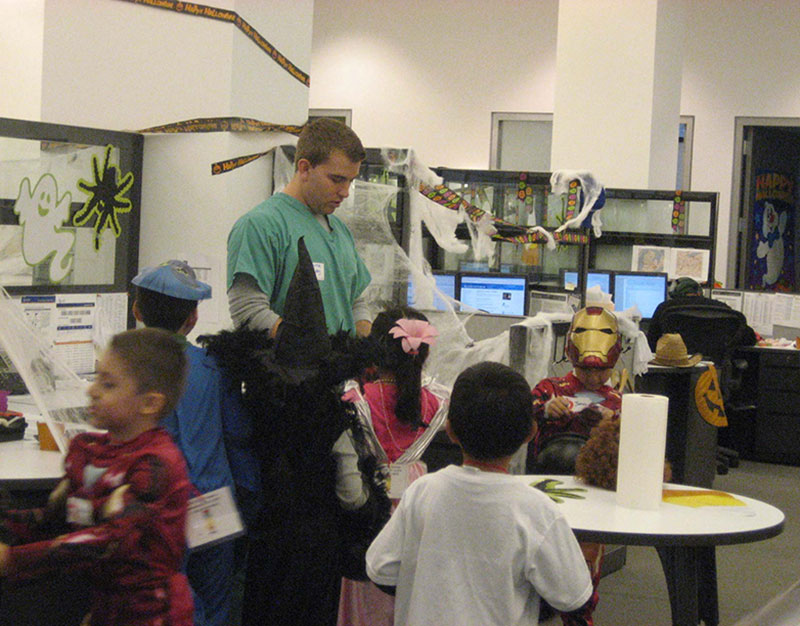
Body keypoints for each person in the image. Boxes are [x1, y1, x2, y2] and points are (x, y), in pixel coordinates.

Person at [365, 361, 592, 626]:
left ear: (450, 430)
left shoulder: (422, 492)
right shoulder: (538, 510)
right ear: (530, 433)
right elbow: (573, 595)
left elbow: (380, 569)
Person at [0, 328, 193, 625]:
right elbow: (57, 518)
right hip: (105, 607)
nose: (92, 391)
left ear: (149, 403)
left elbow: (111, 540)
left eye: (108, 384)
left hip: (151, 614)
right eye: (96, 378)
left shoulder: (155, 465)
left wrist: (14, 560)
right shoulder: (90, 452)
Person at [131, 259, 260, 626]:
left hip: (159, 509)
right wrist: (249, 499)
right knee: (215, 605)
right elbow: (238, 438)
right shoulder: (214, 368)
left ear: (137, 310)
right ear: (193, 317)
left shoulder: (127, 372)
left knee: (164, 605)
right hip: (214, 502)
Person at [337, 306, 450, 626]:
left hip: (368, 492)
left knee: (368, 583)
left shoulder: (355, 397)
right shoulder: (437, 400)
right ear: (423, 352)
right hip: (415, 490)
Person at [227, 117, 373, 338]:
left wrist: (367, 345)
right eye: (337, 180)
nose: (345, 192)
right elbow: (248, 311)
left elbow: (354, 301)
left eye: (350, 181)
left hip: (339, 362)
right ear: (304, 168)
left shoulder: (340, 231)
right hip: (283, 361)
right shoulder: (261, 226)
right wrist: (306, 348)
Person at [528, 305, 623, 626]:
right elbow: (521, 416)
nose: (594, 378)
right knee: (539, 561)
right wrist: (545, 410)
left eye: (601, 371)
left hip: (594, 495)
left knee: (585, 565)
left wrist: (615, 422)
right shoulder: (549, 388)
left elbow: (639, 445)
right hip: (547, 490)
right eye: (586, 370)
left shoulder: (619, 400)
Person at [646, 276, 757, 352]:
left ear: (673, 294)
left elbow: (651, 343)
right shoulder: (721, 308)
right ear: (699, 292)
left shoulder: (666, 308)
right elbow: (749, 339)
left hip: (676, 367)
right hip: (714, 368)